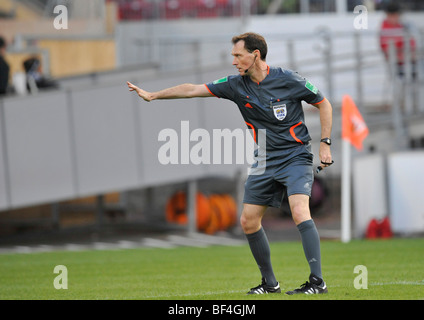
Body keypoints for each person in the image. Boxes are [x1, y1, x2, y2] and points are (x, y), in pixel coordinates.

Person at [127, 32, 333, 295]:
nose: (233, 61)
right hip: (265, 159)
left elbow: (324, 104)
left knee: (299, 211)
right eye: (233, 56)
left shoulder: (288, 79)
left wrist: (325, 143)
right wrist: (153, 95)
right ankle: (270, 284)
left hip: (295, 155)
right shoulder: (235, 85)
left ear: (255, 55)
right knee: (248, 221)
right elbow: (192, 89)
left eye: (238, 55)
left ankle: (317, 282)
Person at [379, 2, 417, 77]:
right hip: (397, 63)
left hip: (407, 60)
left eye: (396, 15)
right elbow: (386, 48)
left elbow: (412, 42)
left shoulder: (401, 26)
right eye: (393, 15)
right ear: (388, 15)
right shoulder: (385, 29)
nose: (395, 18)